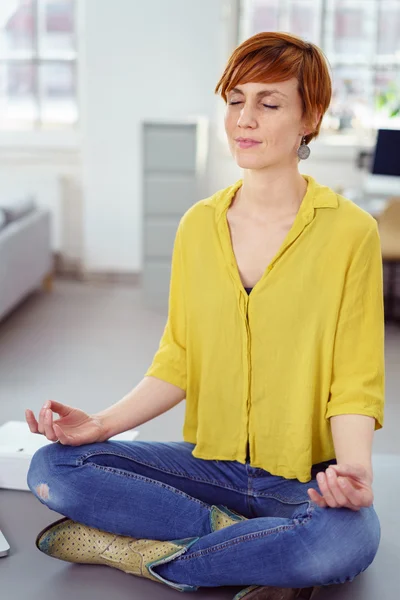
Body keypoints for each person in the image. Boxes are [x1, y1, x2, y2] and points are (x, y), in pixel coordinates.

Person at [25, 31, 384, 600]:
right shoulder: (199, 225)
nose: (245, 118)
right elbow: (179, 358)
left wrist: (355, 475)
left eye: (268, 103)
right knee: (53, 470)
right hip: (208, 465)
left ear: (309, 117)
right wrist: (100, 426)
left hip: (301, 478)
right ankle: (248, 547)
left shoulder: (351, 233)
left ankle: (144, 556)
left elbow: (355, 381)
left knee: (345, 542)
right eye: (235, 99)